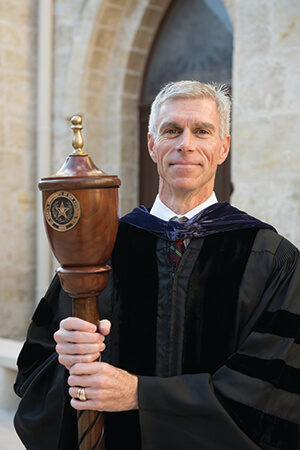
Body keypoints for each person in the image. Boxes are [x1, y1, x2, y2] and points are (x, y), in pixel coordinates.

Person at [14, 81, 300, 449]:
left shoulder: (271, 259)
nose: (186, 144)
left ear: (223, 147)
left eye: (202, 131)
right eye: (171, 130)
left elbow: (273, 393)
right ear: (152, 145)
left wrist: (141, 394)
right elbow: (36, 375)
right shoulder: (99, 252)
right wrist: (64, 359)